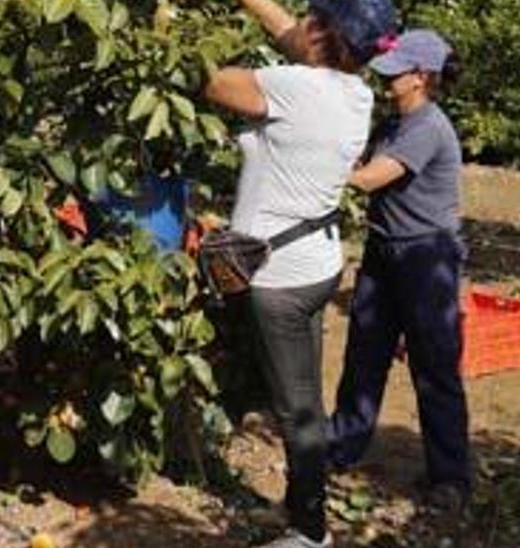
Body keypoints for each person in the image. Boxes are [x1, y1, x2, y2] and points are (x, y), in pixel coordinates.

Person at [204, 0, 397, 546]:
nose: (302, 21)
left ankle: (310, 532)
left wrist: (169, 22)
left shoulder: (296, 87)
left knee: (297, 410)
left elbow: (212, 80)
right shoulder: (353, 91)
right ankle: (299, 511)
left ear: (323, 33)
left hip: (280, 279)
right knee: (306, 397)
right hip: (315, 263)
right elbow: (294, 36)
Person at [326, 29, 472, 511]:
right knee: (364, 354)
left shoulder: (429, 126)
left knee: (434, 366)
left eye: (400, 70)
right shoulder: (392, 124)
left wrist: (309, 169)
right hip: (384, 251)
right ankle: (341, 447)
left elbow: (369, 177)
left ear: (423, 77)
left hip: (426, 257)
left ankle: (450, 477)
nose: (389, 76)